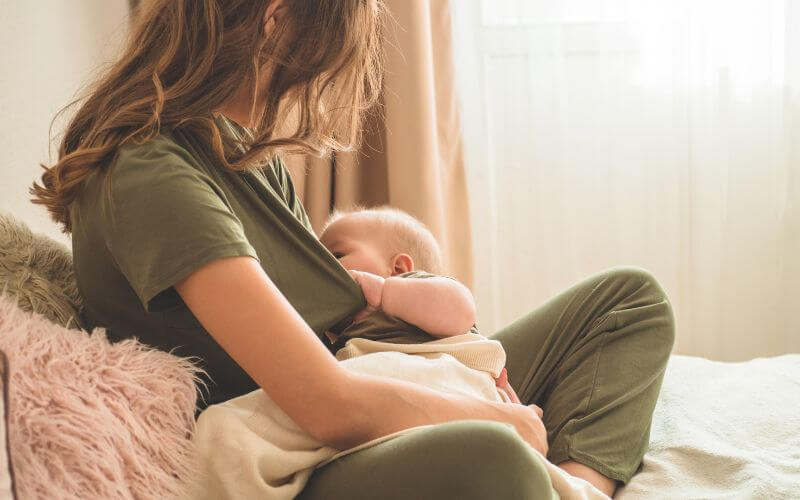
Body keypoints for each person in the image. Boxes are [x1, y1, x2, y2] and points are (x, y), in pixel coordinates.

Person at [30, 1, 674, 497]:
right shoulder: (150, 172)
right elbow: (323, 402)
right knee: (494, 457)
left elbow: (341, 322)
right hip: (312, 455)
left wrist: (459, 367)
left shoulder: (243, 153)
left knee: (629, 302)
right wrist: (500, 420)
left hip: (376, 379)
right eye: (329, 51)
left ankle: (578, 483)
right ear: (276, 23)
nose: (321, 80)